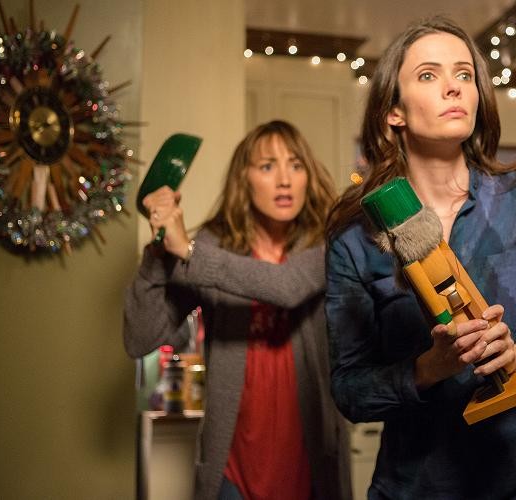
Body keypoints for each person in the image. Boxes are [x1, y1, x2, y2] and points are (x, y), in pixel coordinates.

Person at [325, 17, 516, 500]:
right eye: (428, 75)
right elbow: (349, 390)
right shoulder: (355, 234)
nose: (454, 87)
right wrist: (429, 368)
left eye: (464, 74)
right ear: (393, 112)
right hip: (414, 487)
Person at [124, 120, 352, 500]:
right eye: (267, 166)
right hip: (231, 469)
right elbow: (140, 338)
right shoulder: (214, 245)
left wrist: (189, 251)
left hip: (310, 463)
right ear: (243, 178)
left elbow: (287, 287)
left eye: (296, 165)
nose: (284, 180)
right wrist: (159, 252)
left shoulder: (326, 244)